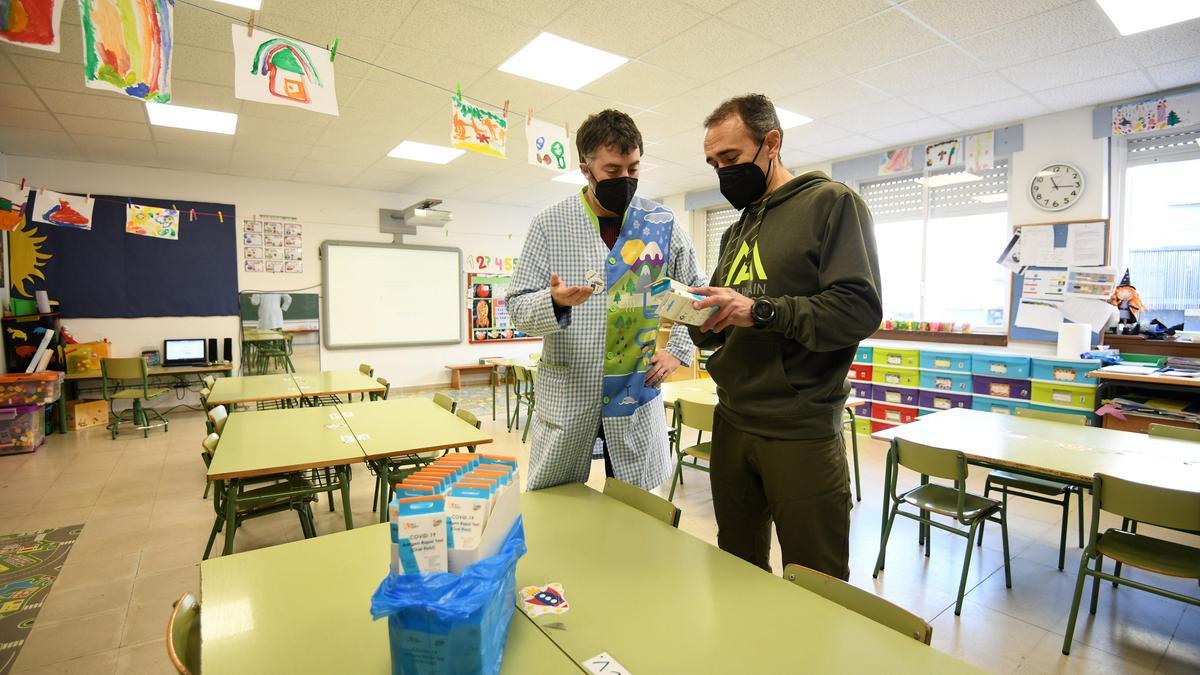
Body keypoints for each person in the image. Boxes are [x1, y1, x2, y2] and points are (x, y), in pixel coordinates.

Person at [688, 94, 882, 580]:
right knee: (736, 565)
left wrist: (761, 311)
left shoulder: (833, 204)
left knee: (815, 580)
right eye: (714, 164)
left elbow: (859, 309)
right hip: (732, 418)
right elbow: (731, 316)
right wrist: (702, 319)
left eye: (730, 158)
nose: (722, 172)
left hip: (799, 427)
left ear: (771, 142)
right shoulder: (738, 229)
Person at [507, 109, 706, 491]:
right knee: (558, 504)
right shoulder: (550, 224)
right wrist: (556, 302)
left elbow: (695, 289)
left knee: (636, 506)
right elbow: (517, 307)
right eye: (613, 171)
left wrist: (677, 351)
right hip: (570, 388)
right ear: (586, 169)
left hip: (635, 390)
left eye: (633, 170)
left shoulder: (660, 223)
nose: (626, 180)